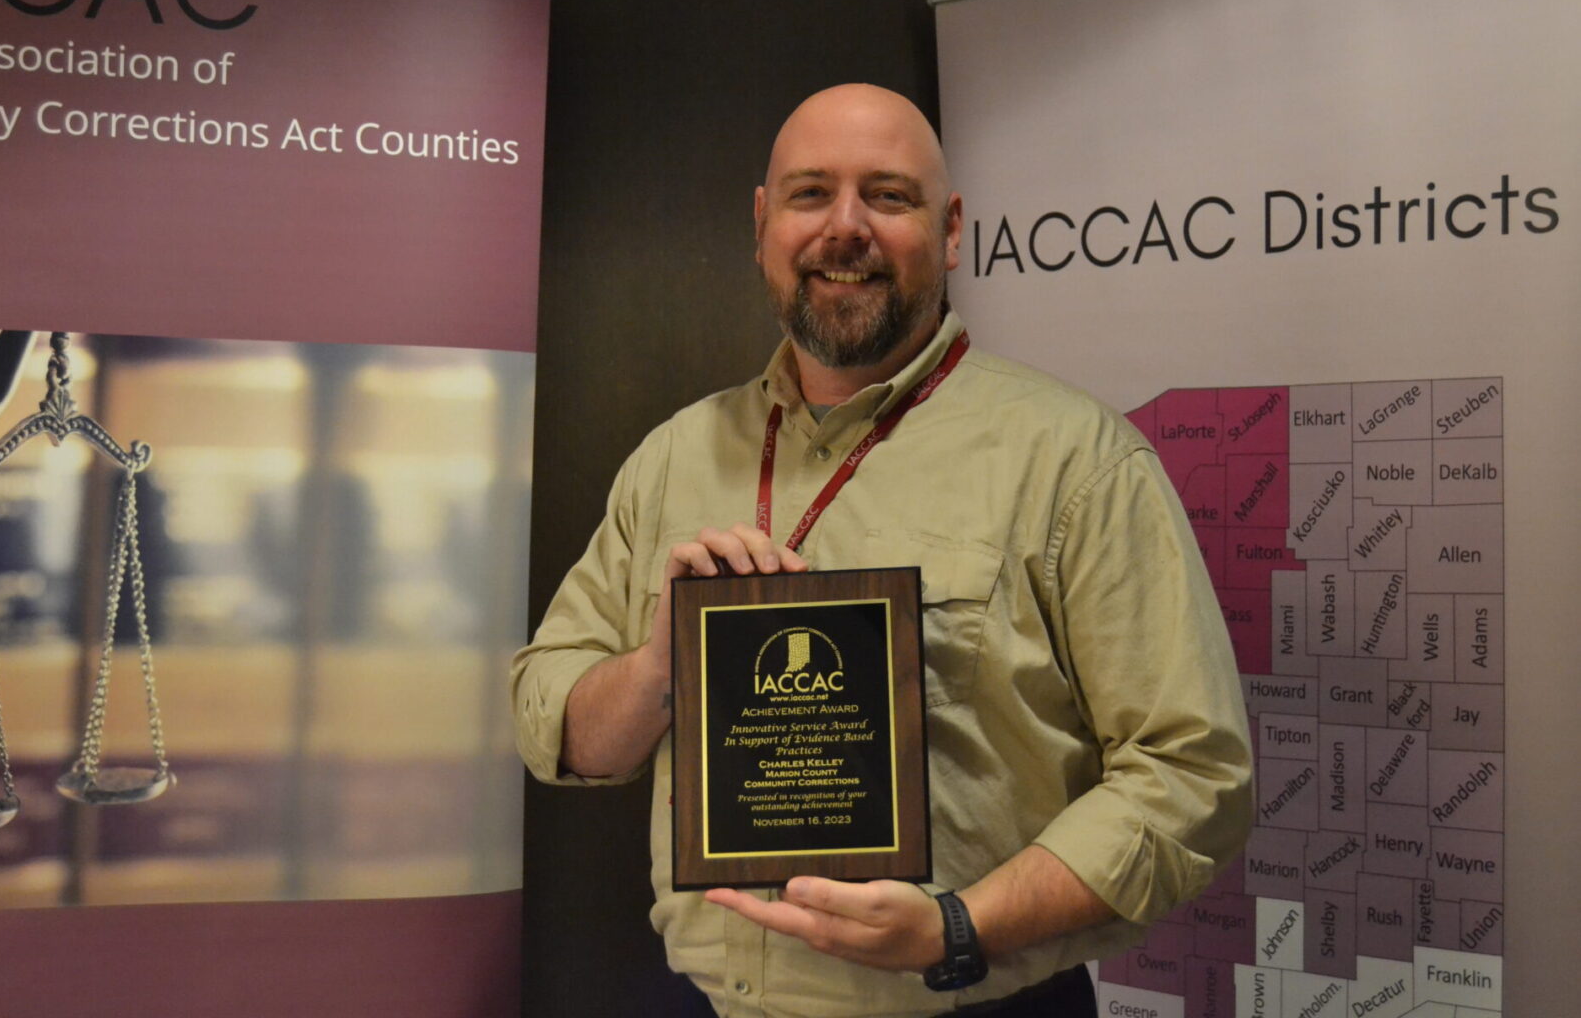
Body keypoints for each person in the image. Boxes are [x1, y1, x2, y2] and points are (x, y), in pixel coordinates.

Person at [511, 84, 1252, 1018]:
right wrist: (662, 663)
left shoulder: (1076, 460)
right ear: (763, 223)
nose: (845, 228)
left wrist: (960, 926)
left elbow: (1193, 772)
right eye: (811, 193)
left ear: (949, 231)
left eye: (889, 196)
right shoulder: (674, 456)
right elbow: (553, 723)